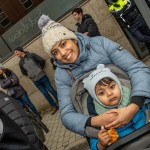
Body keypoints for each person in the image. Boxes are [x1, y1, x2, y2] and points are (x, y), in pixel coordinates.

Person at [37, 15, 150, 137]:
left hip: (140, 110)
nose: (63, 53)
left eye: (63, 44)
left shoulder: (100, 43)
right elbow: (66, 114)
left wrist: (133, 107)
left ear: (73, 39)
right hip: (108, 132)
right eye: (55, 52)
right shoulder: (61, 74)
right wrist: (94, 121)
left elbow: (137, 69)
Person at [83, 64, 146, 150]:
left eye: (112, 87)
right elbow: (94, 143)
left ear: (119, 85)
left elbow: (147, 105)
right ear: (95, 99)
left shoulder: (133, 98)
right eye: (101, 93)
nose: (109, 93)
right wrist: (100, 144)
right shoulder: (98, 118)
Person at [14, 46, 58, 115]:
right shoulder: (20, 63)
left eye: (16, 52)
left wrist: (39, 69)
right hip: (35, 81)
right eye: (15, 53)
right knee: (45, 94)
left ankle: (60, 102)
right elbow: (23, 72)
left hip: (42, 76)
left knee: (51, 90)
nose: (16, 54)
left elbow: (42, 60)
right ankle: (54, 106)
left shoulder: (31, 55)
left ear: (20, 50)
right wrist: (30, 75)